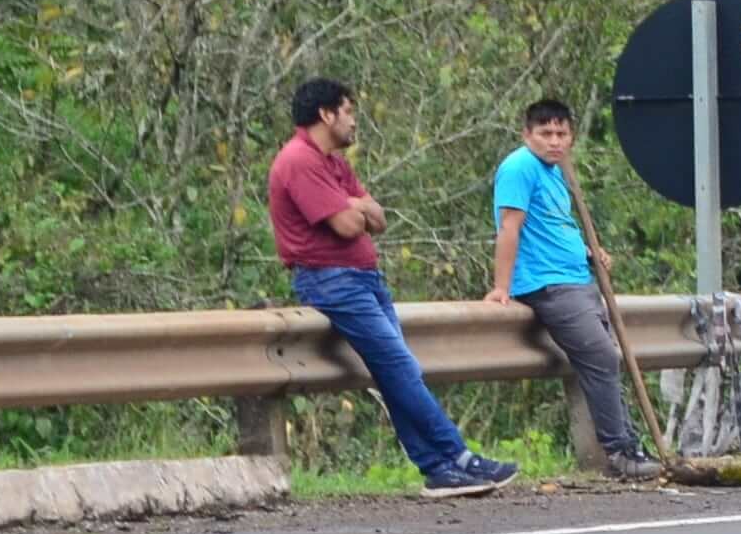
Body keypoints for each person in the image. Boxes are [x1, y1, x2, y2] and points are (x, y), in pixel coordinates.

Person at [265, 78, 517, 492]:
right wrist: (354, 207)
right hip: (332, 282)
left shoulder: (333, 162)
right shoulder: (298, 160)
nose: (354, 121)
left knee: (397, 373)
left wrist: (356, 205)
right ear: (326, 114)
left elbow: (378, 219)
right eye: (348, 111)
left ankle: (438, 471)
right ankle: (458, 455)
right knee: (400, 368)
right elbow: (349, 226)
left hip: (363, 279)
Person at [487, 100, 656, 477]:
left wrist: (589, 252)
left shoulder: (557, 172)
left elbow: (553, 225)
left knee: (607, 360)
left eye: (562, 133)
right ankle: (620, 451)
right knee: (601, 356)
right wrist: (501, 287)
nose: (554, 141)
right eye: (545, 133)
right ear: (526, 134)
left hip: (577, 278)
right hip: (548, 284)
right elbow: (510, 228)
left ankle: (630, 447)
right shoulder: (518, 168)